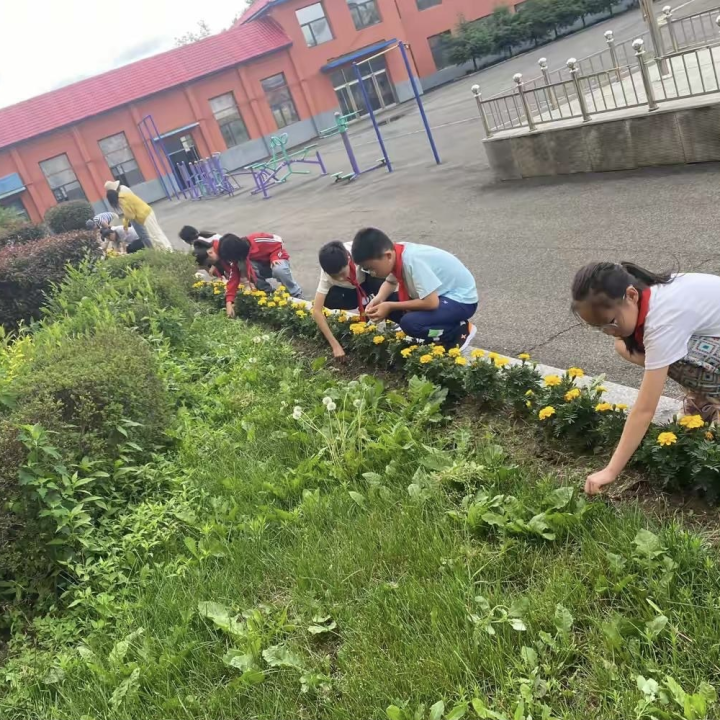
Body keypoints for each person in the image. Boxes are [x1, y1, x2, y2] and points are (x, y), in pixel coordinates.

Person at [571, 261, 720, 495]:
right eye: (598, 327)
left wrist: (611, 471)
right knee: (625, 346)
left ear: (631, 295)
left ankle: (711, 397)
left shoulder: (663, 320)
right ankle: (703, 398)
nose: (608, 332)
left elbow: (644, 410)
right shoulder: (647, 294)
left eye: (611, 322)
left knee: (667, 355)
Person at [351, 227, 478, 350]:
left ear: (388, 256)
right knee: (388, 301)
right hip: (440, 296)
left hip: (461, 301)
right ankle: (434, 330)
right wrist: (379, 300)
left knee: (411, 325)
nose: (371, 273)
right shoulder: (396, 253)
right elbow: (390, 282)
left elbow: (431, 303)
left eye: (371, 268)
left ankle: (454, 331)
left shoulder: (413, 261)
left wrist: (389, 306)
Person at [312, 240, 393, 359]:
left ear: (348, 259)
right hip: (351, 289)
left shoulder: (362, 255)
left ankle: (378, 305)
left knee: (383, 286)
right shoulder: (326, 273)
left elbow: (392, 273)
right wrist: (335, 345)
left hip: (370, 280)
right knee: (330, 298)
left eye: (342, 273)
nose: (340, 278)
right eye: (334, 276)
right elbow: (316, 311)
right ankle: (363, 304)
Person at [215, 233, 302, 318]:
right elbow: (233, 279)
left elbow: (279, 240)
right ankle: (268, 294)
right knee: (246, 266)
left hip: (277, 260)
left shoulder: (257, 240)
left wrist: (274, 258)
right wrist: (229, 302)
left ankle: (295, 293)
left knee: (279, 269)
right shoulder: (239, 258)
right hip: (262, 267)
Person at [104, 180, 172, 251]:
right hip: (146, 213)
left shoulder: (121, 199)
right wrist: (126, 223)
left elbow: (131, 215)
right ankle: (165, 249)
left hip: (145, 215)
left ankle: (168, 250)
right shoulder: (123, 192)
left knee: (155, 234)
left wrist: (125, 222)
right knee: (154, 234)